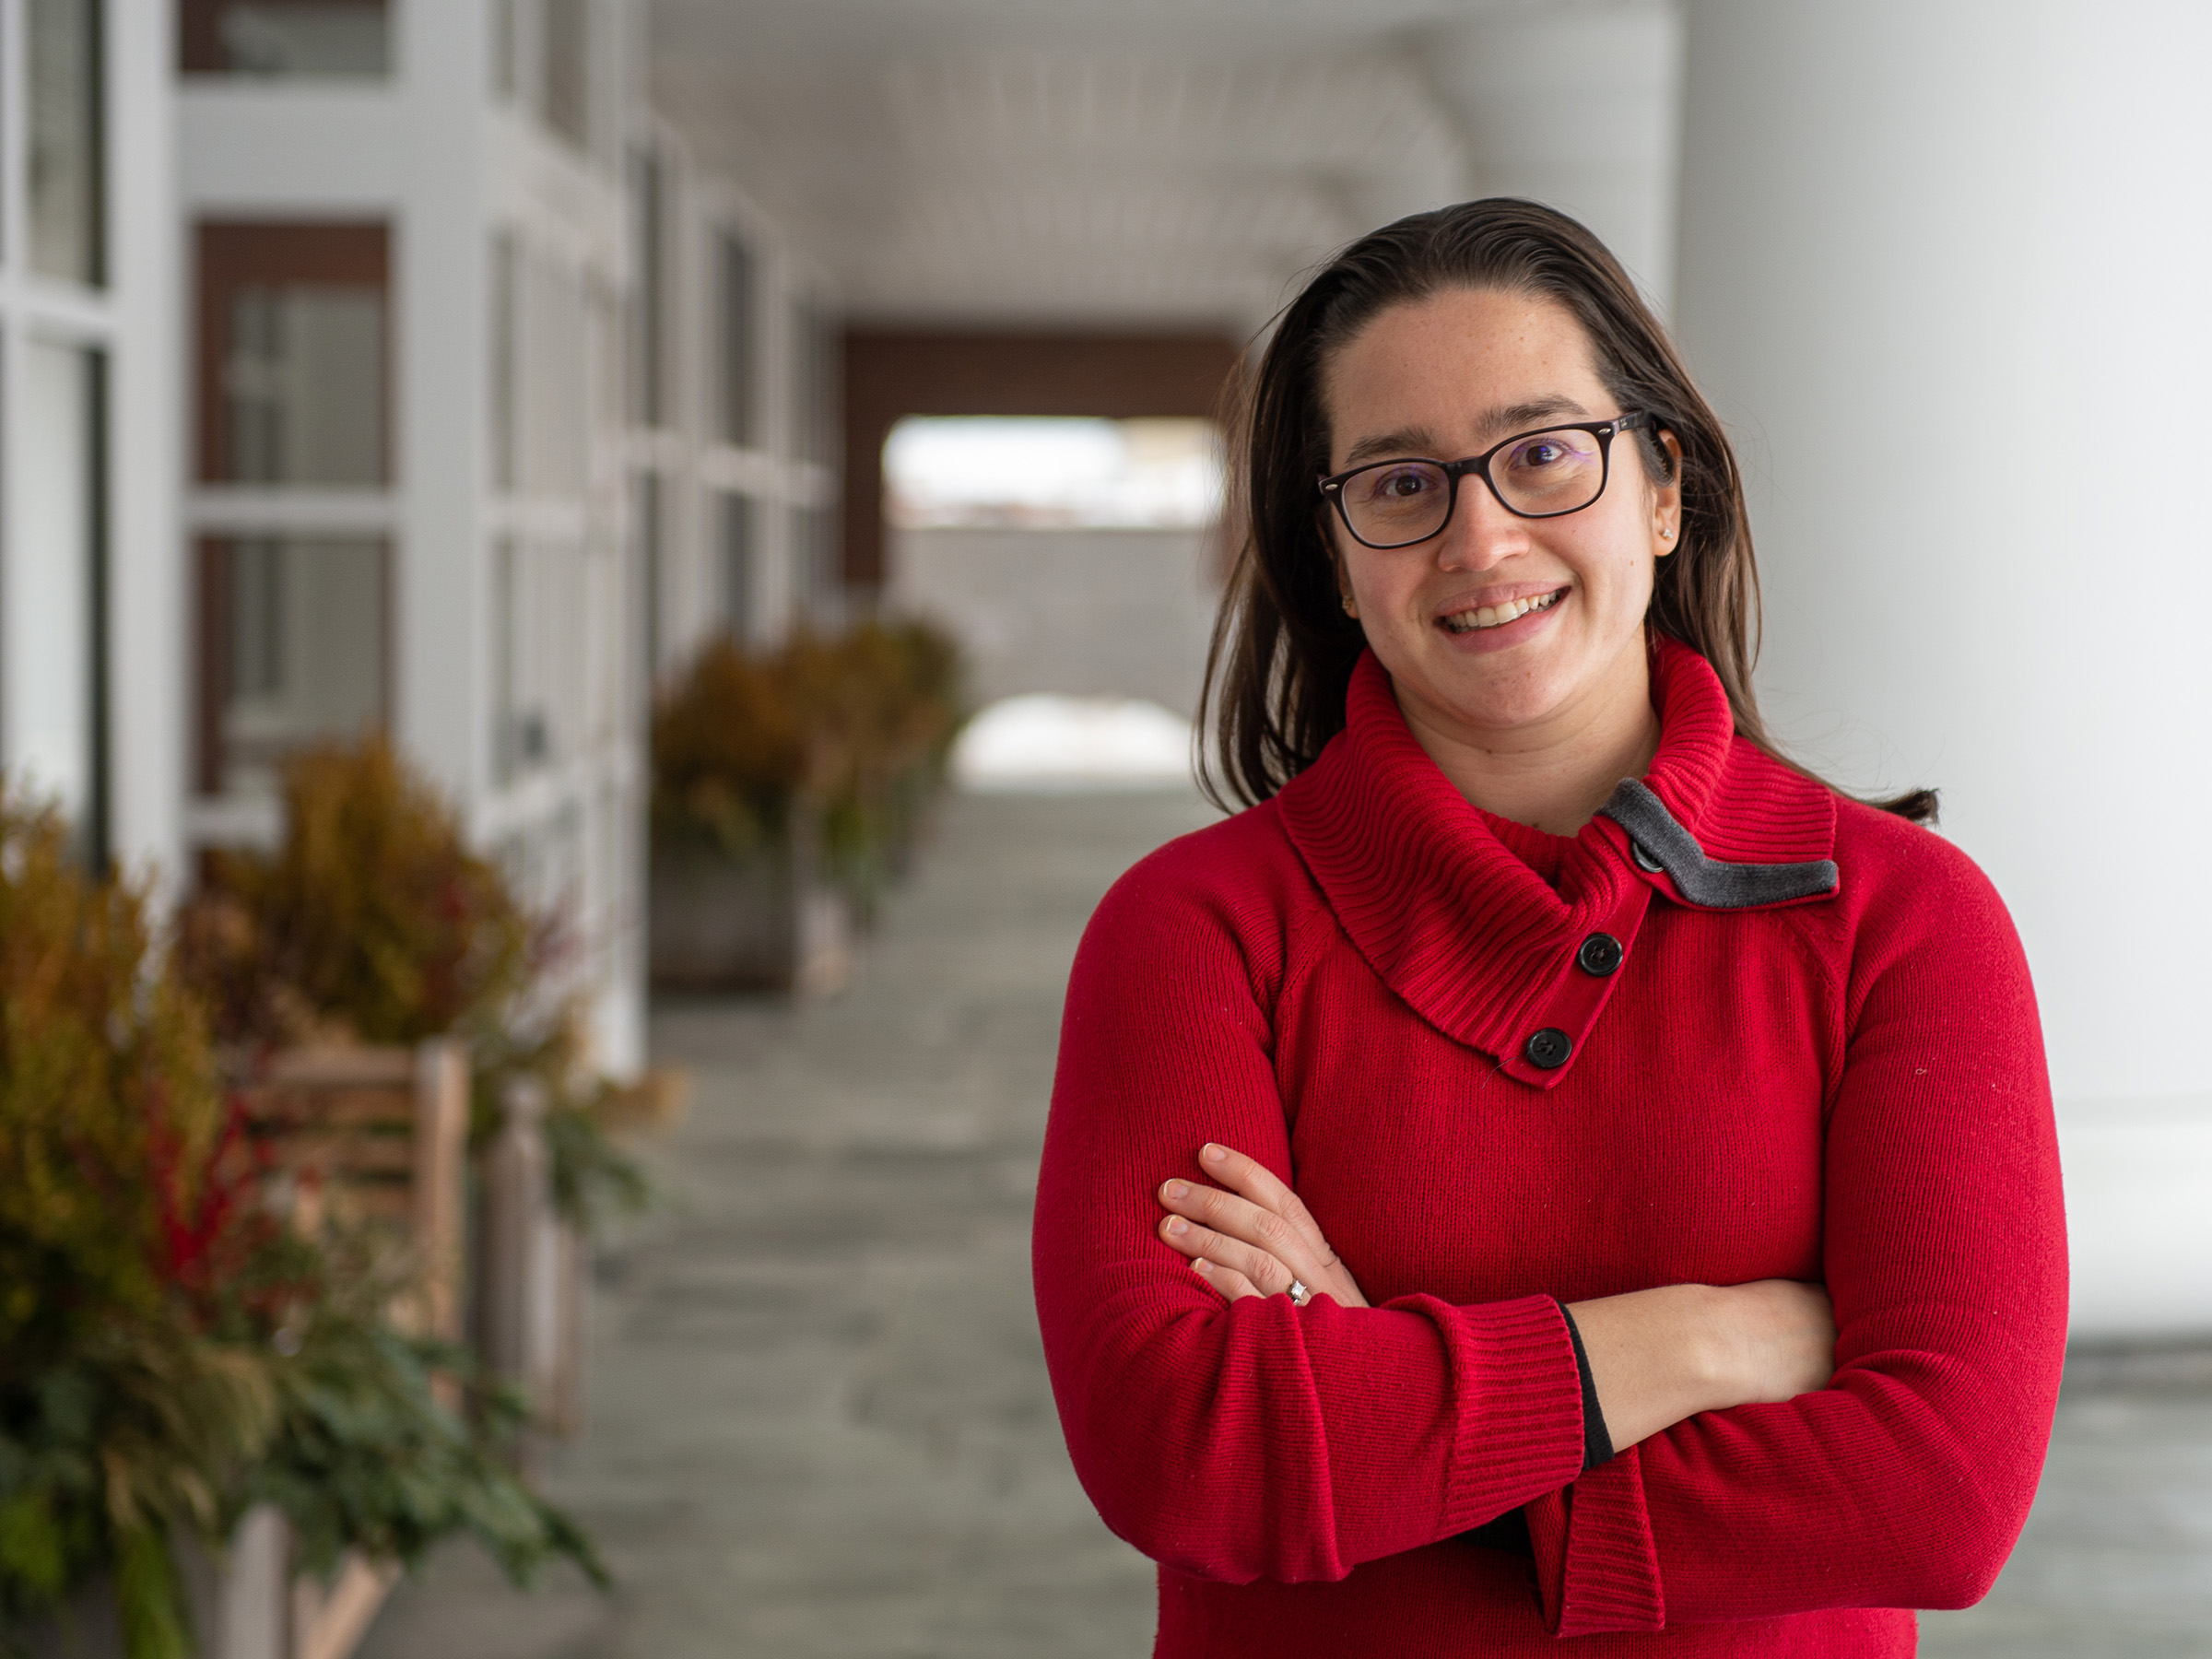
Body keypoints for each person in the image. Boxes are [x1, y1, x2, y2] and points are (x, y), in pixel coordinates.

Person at [1030, 199, 2065, 1657]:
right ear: (1335, 554)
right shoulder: (1193, 936)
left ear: (1661, 488)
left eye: (1541, 455)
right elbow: (1183, 1446)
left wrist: (1381, 1400)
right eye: (1400, 483)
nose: (1480, 534)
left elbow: (1943, 1495)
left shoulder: (1900, 920)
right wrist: (1702, 1342)